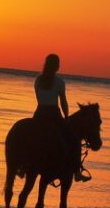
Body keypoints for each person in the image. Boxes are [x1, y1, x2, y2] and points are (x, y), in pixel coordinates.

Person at [33, 53, 90, 181]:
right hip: (53, 114)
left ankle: (22, 167)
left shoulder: (38, 80)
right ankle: (77, 171)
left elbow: (38, 97)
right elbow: (63, 101)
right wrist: (66, 117)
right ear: (57, 66)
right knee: (73, 140)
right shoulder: (59, 82)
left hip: (39, 113)